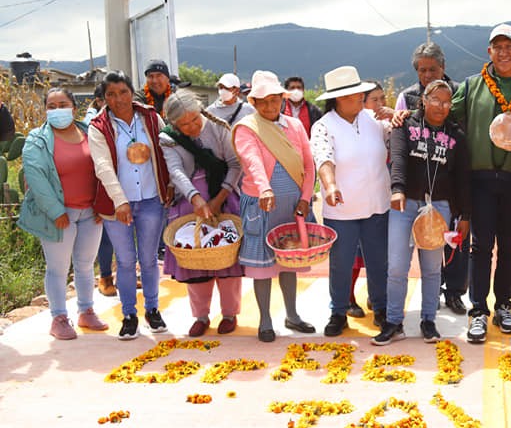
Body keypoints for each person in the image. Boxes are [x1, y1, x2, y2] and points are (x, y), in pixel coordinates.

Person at [450, 23, 511, 344]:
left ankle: (504, 305)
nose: (504, 52)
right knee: (480, 246)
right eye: (498, 47)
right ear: (489, 51)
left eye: (510, 46)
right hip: (478, 178)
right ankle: (478, 310)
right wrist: (402, 117)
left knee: (508, 246)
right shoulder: (471, 86)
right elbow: (442, 117)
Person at [374, 79, 471, 345]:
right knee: (396, 266)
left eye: (446, 101)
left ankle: (429, 320)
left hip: (439, 207)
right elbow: (399, 159)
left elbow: (462, 179)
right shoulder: (404, 125)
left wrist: (464, 215)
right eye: (435, 100)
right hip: (405, 206)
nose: (441, 106)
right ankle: (394, 322)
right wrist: (397, 189)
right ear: (424, 101)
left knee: (431, 269)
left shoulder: (457, 135)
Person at [18, 88, 109, 339]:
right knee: (57, 268)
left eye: (63, 104)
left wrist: (103, 204)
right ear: (46, 109)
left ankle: (86, 311)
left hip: (91, 212)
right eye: (52, 105)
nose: (57, 110)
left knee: (85, 264)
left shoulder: (91, 133)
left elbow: (104, 167)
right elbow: (36, 179)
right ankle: (58, 317)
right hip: (59, 213)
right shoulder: (37, 140)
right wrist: (56, 211)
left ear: (74, 107)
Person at [234, 70, 317, 342]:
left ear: (282, 99)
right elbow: (252, 161)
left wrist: (305, 198)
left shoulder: (295, 126)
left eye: (275, 100)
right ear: (254, 103)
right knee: (262, 266)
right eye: (263, 101)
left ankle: (292, 315)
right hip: (261, 205)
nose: (270, 106)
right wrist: (265, 189)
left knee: (288, 260)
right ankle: (265, 320)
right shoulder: (247, 128)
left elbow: (308, 165)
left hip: (292, 205)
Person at [88, 70, 171, 340]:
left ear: (131, 92)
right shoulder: (98, 126)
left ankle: (152, 309)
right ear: (104, 98)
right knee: (124, 262)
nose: (118, 99)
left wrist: (169, 185)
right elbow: (102, 166)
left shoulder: (150, 117)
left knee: (148, 260)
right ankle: (128, 314)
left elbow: (166, 150)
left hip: (150, 199)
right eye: (110, 94)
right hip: (117, 205)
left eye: (123, 92)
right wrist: (120, 201)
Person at [311, 65, 391, 337]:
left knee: (379, 260)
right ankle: (338, 311)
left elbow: (400, 135)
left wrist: (398, 115)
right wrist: (331, 185)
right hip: (342, 208)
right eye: (355, 95)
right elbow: (323, 158)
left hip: (377, 204)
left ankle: (381, 307)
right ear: (339, 99)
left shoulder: (373, 120)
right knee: (341, 262)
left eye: (360, 94)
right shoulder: (323, 126)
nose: (361, 98)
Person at [160, 91, 245, 336]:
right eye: (183, 124)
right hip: (189, 203)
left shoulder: (218, 127)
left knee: (226, 257)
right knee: (194, 257)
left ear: (201, 112)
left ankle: (229, 313)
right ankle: (200, 315)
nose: (191, 127)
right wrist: (195, 198)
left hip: (224, 196)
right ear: (174, 124)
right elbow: (176, 171)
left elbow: (235, 164)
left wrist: (219, 199)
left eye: (195, 120)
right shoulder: (168, 138)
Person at [396, 42, 468, 315]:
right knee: (428, 236)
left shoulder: (459, 93)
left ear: (443, 67)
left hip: (451, 173)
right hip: (421, 179)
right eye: (422, 70)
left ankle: (455, 292)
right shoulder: (407, 96)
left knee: (456, 236)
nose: (427, 75)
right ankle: (433, 290)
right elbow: (398, 126)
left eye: (433, 69)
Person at [83, 82, 117, 297]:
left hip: (118, 181)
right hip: (99, 183)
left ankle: (121, 275)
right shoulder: (91, 123)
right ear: (98, 100)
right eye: (107, 96)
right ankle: (105, 276)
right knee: (105, 234)